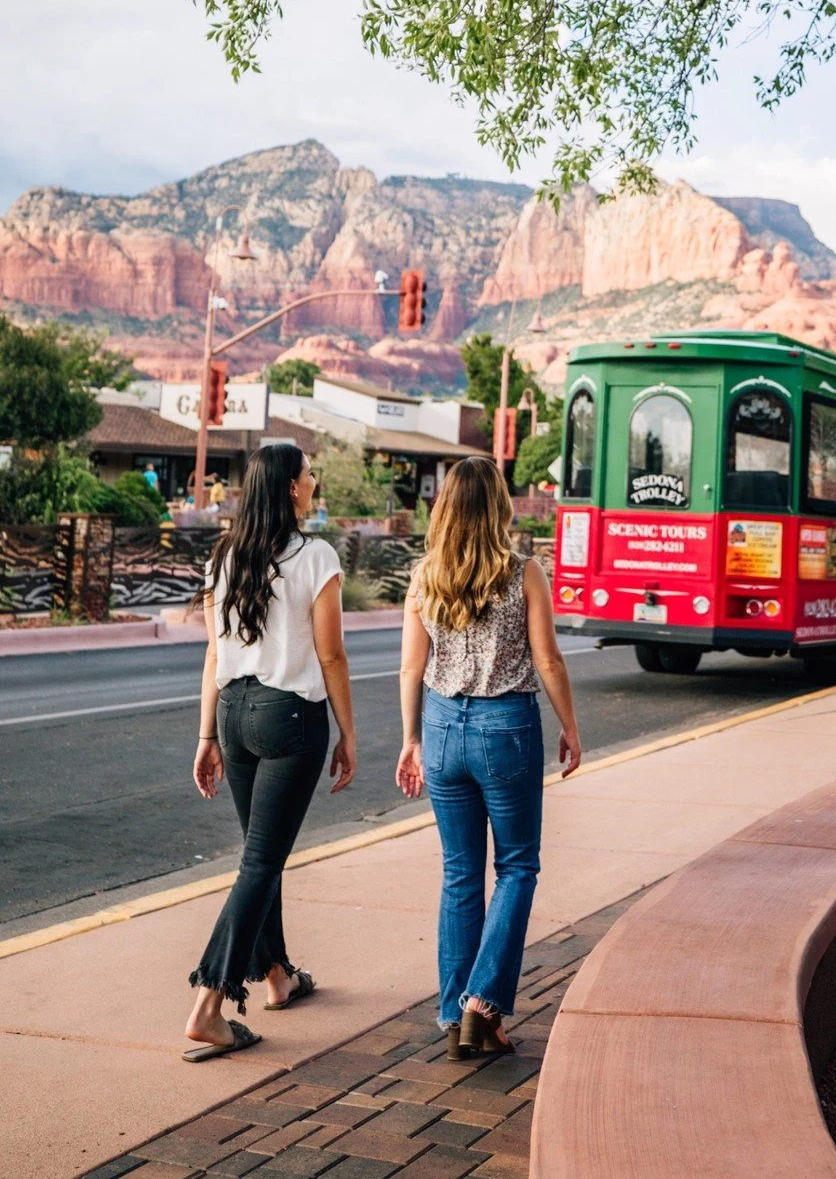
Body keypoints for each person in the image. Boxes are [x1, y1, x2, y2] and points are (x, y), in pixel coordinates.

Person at [396, 455, 581, 1061]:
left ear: (444, 507)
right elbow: (548, 659)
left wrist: (412, 740)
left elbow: (411, 668)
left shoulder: (425, 576)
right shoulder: (524, 572)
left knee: (460, 873)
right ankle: (483, 1003)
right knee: (518, 867)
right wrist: (570, 726)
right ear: (499, 505)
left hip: (441, 727)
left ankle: (457, 1018)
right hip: (505, 728)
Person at [183, 442, 357, 1061]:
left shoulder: (224, 556)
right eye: (309, 473)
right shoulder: (315, 555)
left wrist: (207, 736)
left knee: (263, 853)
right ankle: (209, 1005)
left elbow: (215, 654)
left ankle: (278, 976)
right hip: (289, 718)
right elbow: (331, 654)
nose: (314, 481)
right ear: (290, 486)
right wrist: (349, 732)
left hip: (233, 713)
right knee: (261, 860)